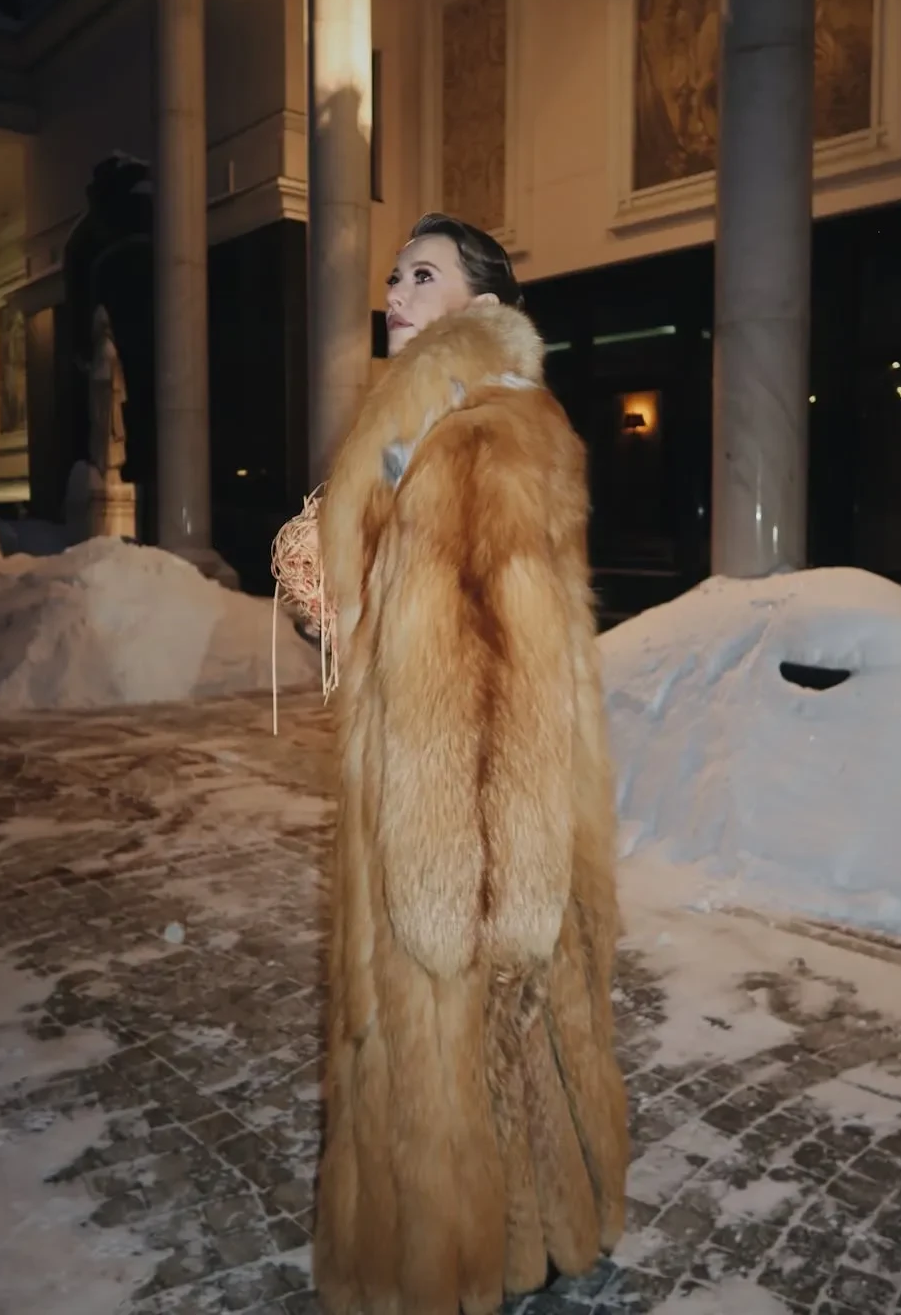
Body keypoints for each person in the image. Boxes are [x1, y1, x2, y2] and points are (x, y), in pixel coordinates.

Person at [315, 214, 628, 1315]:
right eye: (394, 275)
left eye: (423, 276)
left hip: (455, 827)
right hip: (439, 804)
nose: (395, 295)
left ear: (481, 305)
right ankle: (535, 1236)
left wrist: (476, 879)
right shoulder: (440, 429)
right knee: (509, 1052)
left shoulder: (481, 442)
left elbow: (506, 679)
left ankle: (461, 1260)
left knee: (449, 1051)